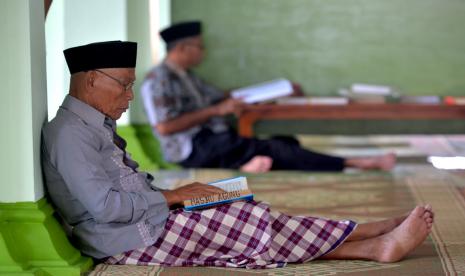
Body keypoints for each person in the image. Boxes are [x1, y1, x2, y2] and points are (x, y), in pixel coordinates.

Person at [41, 41, 434, 268]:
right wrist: (175, 196)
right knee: (245, 221)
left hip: (145, 220)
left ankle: (368, 240)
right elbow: (106, 208)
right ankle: (368, 237)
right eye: (124, 86)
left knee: (236, 199)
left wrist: (178, 197)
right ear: (91, 79)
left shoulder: (94, 126)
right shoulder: (69, 135)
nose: (130, 96)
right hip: (127, 238)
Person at [141, 21, 396, 173]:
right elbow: (164, 127)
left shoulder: (188, 76)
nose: (203, 52)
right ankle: (358, 162)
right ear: (183, 48)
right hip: (193, 149)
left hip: (215, 139)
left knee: (286, 142)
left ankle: (246, 166)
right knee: (277, 148)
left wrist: (277, 91)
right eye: (200, 46)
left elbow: (227, 96)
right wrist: (215, 111)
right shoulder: (159, 80)